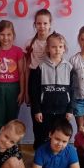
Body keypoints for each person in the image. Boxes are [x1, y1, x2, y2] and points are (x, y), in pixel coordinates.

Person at [29, 32, 75, 150]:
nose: (57, 49)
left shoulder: (69, 67)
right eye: (54, 47)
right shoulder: (41, 67)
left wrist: (70, 110)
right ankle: (40, 159)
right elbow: (34, 91)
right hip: (44, 111)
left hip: (62, 112)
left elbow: (73, 90)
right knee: (41, 137)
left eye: (60, 46)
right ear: (48, 48)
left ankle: (57, 159)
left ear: (64, 48)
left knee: (59, 137)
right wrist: (37, 110)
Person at [24, 9, 52, 148]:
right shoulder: (30, 43)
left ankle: (50, 148)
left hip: (50, 79)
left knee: (49, 118)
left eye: (45, 23)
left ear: (50, 24)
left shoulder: (54, 41)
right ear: (35, 24)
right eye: (39, 23)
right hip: (35, 80)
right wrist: (26, 92)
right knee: (37, 117)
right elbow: (27, 68)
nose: (42, 26)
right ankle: (38, 148)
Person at [0, 20, 25, 134]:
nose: (5, 38)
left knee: (12, 119)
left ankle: (11, 143)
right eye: (2, 34)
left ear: (13, 35)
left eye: (9, 34)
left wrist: (22, 92)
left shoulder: (18, 51)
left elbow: (21, 73)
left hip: (14, 88)